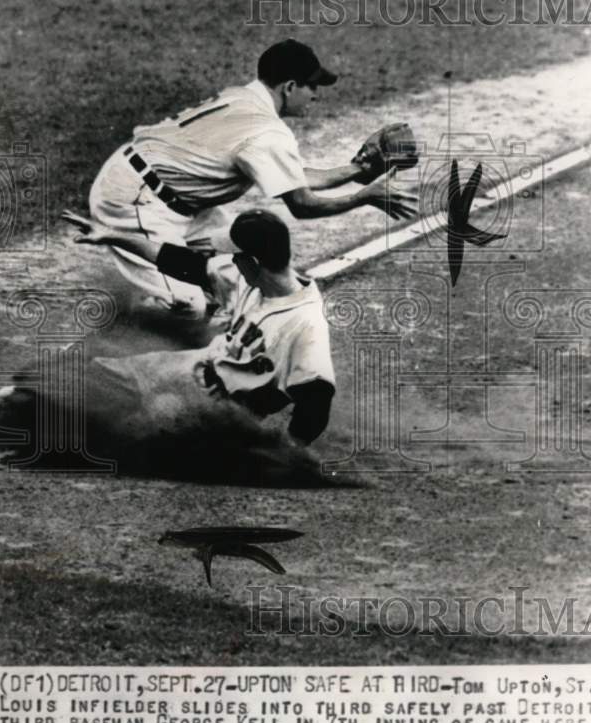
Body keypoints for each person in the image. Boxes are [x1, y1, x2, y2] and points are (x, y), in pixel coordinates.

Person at [88, 38, 417, 317]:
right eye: (312, 86)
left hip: (164, 187)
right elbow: (302, 205)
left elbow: (292, 179)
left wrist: (356, 170)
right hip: (136, 199)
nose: (316, 94)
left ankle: (165, 298)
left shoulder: (243, 97)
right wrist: (365, 196)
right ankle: (125, 338)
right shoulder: (268, 132)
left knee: (246, 260)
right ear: (289, 87)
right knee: (187, 307)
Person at [61, 206, 336, 446]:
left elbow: (316, 402)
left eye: (236, 255)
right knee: (93, 377)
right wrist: (111, 234)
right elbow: (176, 261)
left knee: (112, 430)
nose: (230, 259)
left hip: (211, 409)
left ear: (251, 262)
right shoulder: (247, 277)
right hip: (188, 367)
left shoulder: (306, 326)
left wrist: (286, 455)